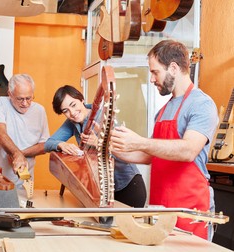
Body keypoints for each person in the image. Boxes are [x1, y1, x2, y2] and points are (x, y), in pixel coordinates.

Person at [110, 40, 219, 241]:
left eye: (155, 72)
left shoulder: (201, 104)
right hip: (160, 209)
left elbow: (188, 151)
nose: (151, 79)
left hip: (189, 210)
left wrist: (139, 141)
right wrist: (110, 145)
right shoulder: (162, 111)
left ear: (174, 68)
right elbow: (148, 155)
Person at [44, 85, 147, 209]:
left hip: (128, 186)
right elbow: (48, 143)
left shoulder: (103, 116)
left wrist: (99, 143)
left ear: (81, 99)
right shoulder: (72, 122)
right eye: (65, 110)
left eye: (73, 105)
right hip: (102, 190)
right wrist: (61, 144)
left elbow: (124, 151)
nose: (72, 113)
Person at [0, 74, 50, 201]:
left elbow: (44, 145)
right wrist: (16, 154)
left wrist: (18, 155)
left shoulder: (40, 111)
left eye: (29, 98)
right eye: (20, 99)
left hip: (23, 184)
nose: (25, 103)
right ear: (10, 93)